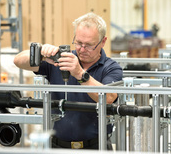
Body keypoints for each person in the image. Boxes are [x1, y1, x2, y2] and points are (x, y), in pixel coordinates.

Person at [14, 12, 123, 149]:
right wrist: (40, 52)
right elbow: (18, 60)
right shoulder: (62, 60)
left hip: (96, 147)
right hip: (57, 147)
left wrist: (80, 74)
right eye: (78, 43)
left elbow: (109, 97)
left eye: (89, 45)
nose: (82, 49)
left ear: (103, 42)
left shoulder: (111, 68)